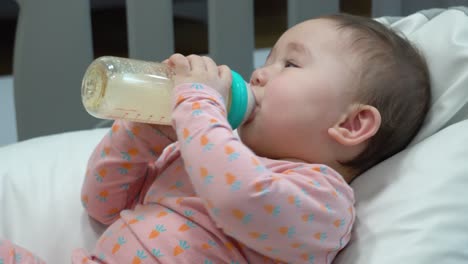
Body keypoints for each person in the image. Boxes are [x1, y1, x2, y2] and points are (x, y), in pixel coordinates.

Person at [1, 13, 430, 264]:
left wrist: (198, 107)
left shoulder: (322, 198)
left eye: (291, 65)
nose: (260, 71)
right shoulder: (202, 149)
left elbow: (238, 197)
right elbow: (100, 203)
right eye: (271, 56)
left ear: (351, 125)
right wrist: (145, 131)